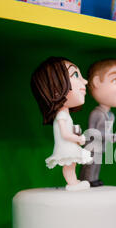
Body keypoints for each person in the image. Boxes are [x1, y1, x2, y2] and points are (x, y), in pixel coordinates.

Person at [31, 57, 93, 191]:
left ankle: (74, 181)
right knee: (69, 165)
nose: (85, 81)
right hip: (66, 147)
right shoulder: (61, 115)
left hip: (70, 145)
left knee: (72, 164)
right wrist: (78, 138)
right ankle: (72, 184)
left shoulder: (65, 114)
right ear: (55, 89)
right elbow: (65, 134)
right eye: (76, 75)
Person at [80, 59, 116, 187]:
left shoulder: (111, 115)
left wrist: (109, 137)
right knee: (90, 164)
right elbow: (91, 132)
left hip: (101, 147)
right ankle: (87, 180)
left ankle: (94, 179)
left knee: (97, 164)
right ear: (97, 82)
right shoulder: (97, 113)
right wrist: (109, 136)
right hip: (92, 146)